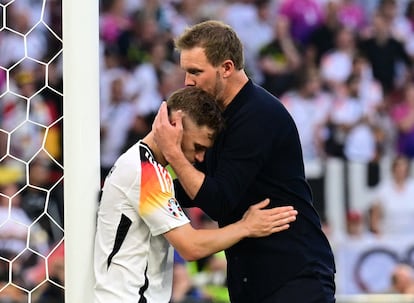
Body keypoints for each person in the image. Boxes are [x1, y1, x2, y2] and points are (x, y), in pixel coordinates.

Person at [152, 20, 336, 303]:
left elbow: (217, 199)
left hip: (293, 276)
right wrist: (141, 187)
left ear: (226, 68)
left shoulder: (257, 116)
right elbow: (198, 182)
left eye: (195, 71)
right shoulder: (221, 115)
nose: (188, 81)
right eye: (185, 71)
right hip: (254, 279)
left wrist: (173, 154)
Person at [93, 86, 298, 303]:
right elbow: (190, 246)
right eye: (198, 146)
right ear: (175, 124)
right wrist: (246, 226)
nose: (200, 158)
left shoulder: (139, 163)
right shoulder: (144, 172)